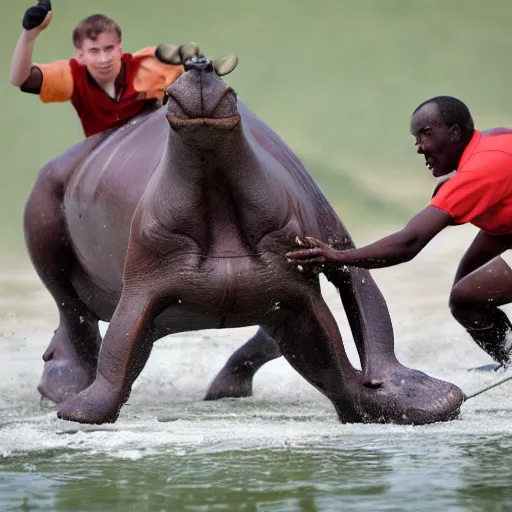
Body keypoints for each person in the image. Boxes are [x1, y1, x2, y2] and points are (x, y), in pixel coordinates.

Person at [286, 95, 512, 368]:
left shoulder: (478, 172)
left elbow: (410, 241)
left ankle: (510, 361)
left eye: (426, 134)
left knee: (465, 298)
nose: (419, 148)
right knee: (467, 283)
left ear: (454, 133)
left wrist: (338, 257)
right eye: (416, 138)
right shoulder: (491, 141)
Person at [9, 0, 185, 137]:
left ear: (120, 49)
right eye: (94, 51)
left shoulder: (147, 66)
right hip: (101, 154)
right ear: (81, 56)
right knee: (52, 173)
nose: (104, 59)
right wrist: (29, 36)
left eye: (109, 49)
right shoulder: (72, 76)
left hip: (153, 145)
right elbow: (19, 79)